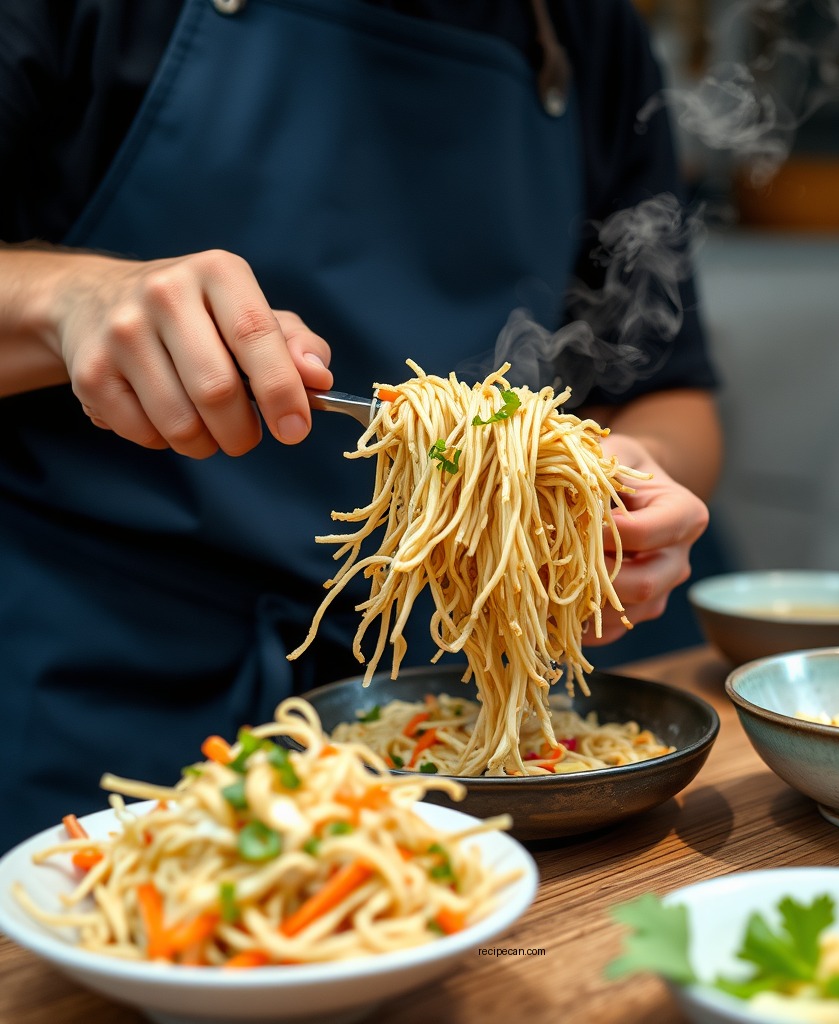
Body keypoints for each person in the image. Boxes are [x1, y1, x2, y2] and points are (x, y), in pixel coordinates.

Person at [0, 0, 722, 849]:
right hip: (105, 680)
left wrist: (636, 470)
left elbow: (672, 397)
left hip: (435, 706)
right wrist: (63, 302)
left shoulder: (585, 29)